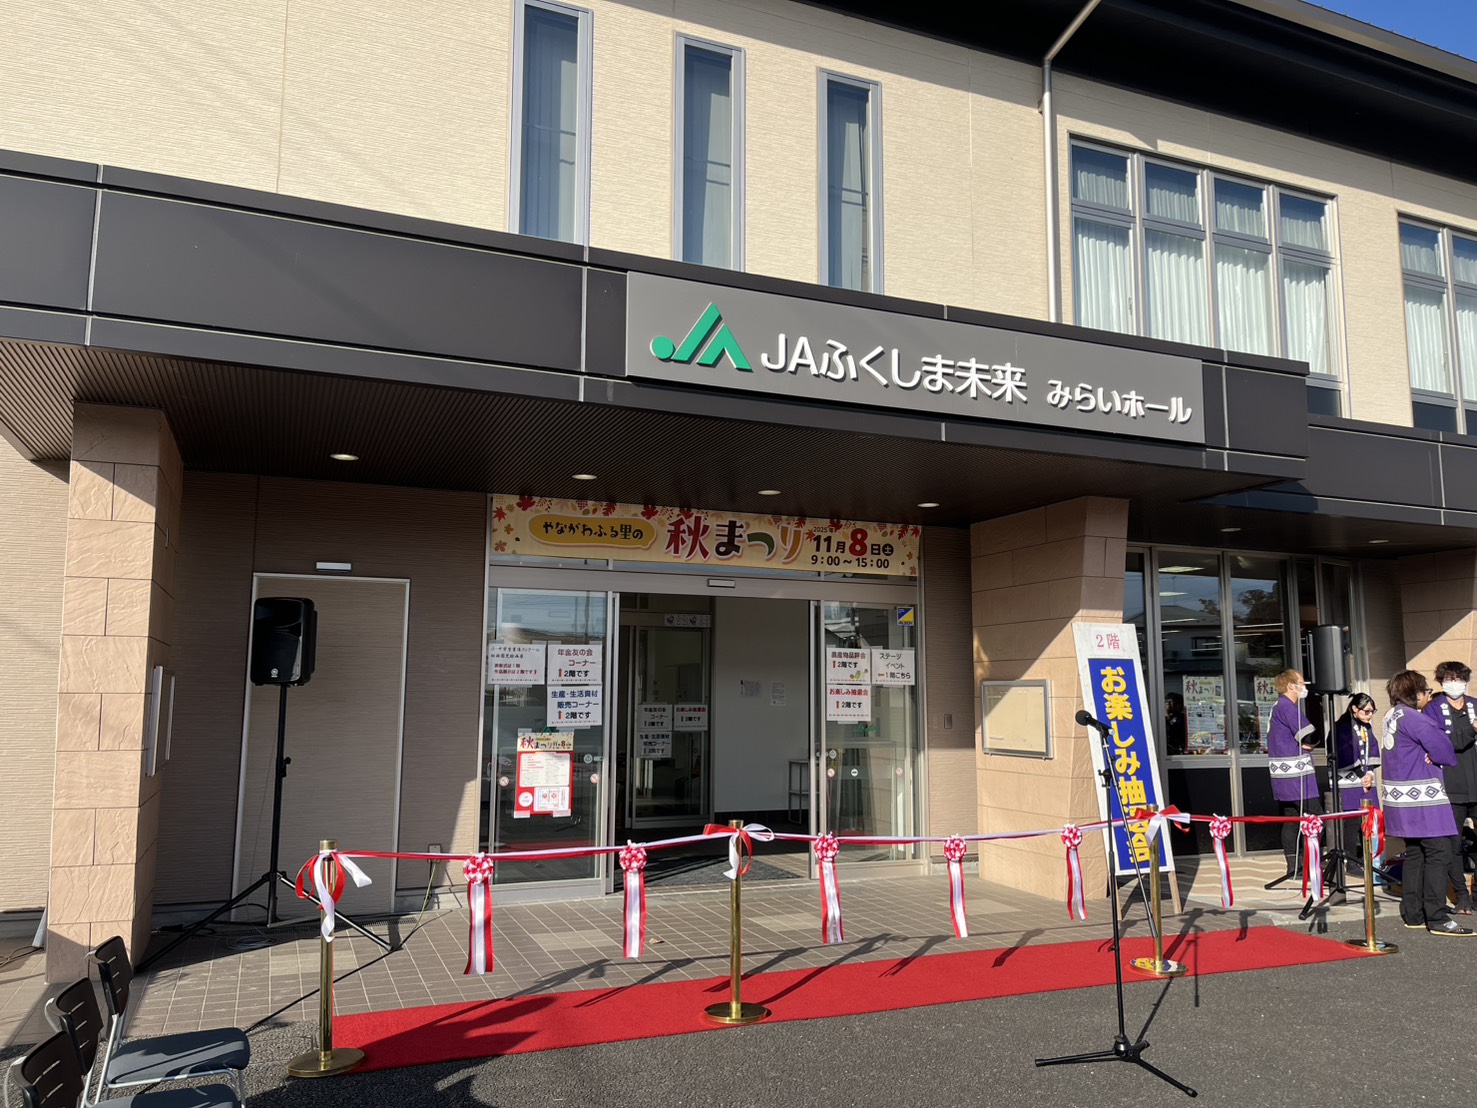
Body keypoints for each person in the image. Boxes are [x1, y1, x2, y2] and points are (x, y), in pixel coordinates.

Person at [1383, 670, 1470, 935]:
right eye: (1426, 691)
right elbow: (1444, 749)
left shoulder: (1391, 715)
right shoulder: (1414, 718)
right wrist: (1436, 755)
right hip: (1422, 797)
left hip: (1399, 796)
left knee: (1415, 853)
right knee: (1439, 852)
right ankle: (1436, 915)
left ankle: (1414, 913)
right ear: (1416, 693)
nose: (1428, 696)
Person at [1424, 661, 1477, 914]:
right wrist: (1472, 729)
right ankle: (1462, 896)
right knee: (1453, 845)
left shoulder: (1475, 704)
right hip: (1451, 786)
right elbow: (1440, 744)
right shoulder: (1433, 709)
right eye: (1449, 679)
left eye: (1459, 679)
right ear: (1441, 682)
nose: (1454, 684)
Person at [1266, 668, 1321, 878]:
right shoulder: (1288, 707)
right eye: (1301, 683)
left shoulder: (1277, 707)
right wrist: (1310, 744)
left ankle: (1294, 866)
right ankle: (1309, 863)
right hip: (1297, 777)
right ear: (1291, 686)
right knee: (1314, 818)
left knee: (1291, 819)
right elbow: (1310, 736)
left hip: (1283, 776)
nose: (1304, 687)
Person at [1334, 692, 1383, 880]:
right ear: (1355, 709)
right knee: (1352, 821)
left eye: (1372, 711)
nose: (1370, 715)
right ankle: (1351, 861)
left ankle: (1370, 859)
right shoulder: (1342, 727)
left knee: (1370, 819)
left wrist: (1369, 773)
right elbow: (1344, 754)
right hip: (1348, 781)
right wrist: (1362, 775)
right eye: (1366, 711)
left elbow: (1373, 749)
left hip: (1365, 779)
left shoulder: (1366, 727)